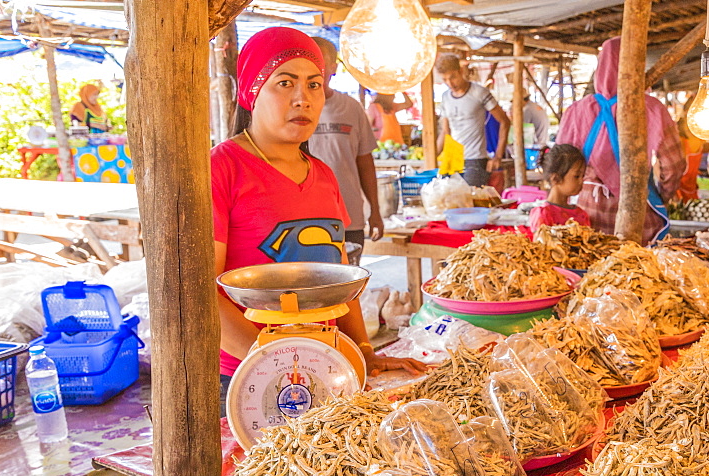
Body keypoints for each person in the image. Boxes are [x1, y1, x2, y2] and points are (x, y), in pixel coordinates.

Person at [212, 27, 423, 415]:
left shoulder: (323, 174)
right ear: (251, 91)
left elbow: (339, 276)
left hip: (328, 366)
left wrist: (363, 352)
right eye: (285, 82)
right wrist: (269, 362)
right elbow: (201, 294)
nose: (302, 98)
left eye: (314, 84)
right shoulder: (222, 167)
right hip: (248, 376)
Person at [555, 37, 685, 241]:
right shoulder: (652, 108)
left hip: (588, 212)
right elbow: (674, 165)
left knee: (588, 263)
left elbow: (560, 163)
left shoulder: (576, 111)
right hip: (638, 212)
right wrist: (662, 196)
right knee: (636, 269)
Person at [308, 38, 384, 265]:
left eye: (321, 61)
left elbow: (365, 162)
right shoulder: (292, 108)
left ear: (334, 67)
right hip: (306, 219)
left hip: (350, 218)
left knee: (349, 288)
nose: (315, 67)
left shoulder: (351, 108)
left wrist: (376, 211)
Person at [435, 54, 511, 188]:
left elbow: (504, 121)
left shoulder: (479, 93)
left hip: (475, 160)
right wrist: (432, 156)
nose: (450, 83)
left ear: (460, 71)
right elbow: (446, 132)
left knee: (469, 202)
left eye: (452, 77)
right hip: (453, 159)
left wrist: (498, 156)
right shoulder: (446, 97)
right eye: (445, 79)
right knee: (449, 200)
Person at [528, 144, 590, 233]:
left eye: (583, 176)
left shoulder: (581, 215)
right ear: (555, 178)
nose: (581, 181)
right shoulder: (543, 214)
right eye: (576, 176)